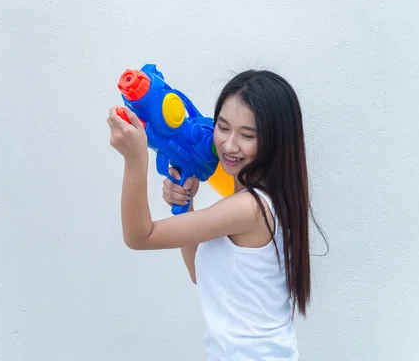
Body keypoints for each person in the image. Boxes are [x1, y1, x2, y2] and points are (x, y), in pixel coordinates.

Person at [107, 69, 324, 361]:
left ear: (275, 141)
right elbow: (202, 274)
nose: (229, 145)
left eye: (247, 135)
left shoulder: (249, 208)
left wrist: (135, 159)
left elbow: (139, 236)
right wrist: (185, 205)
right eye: (223, 127)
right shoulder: (263, 199)